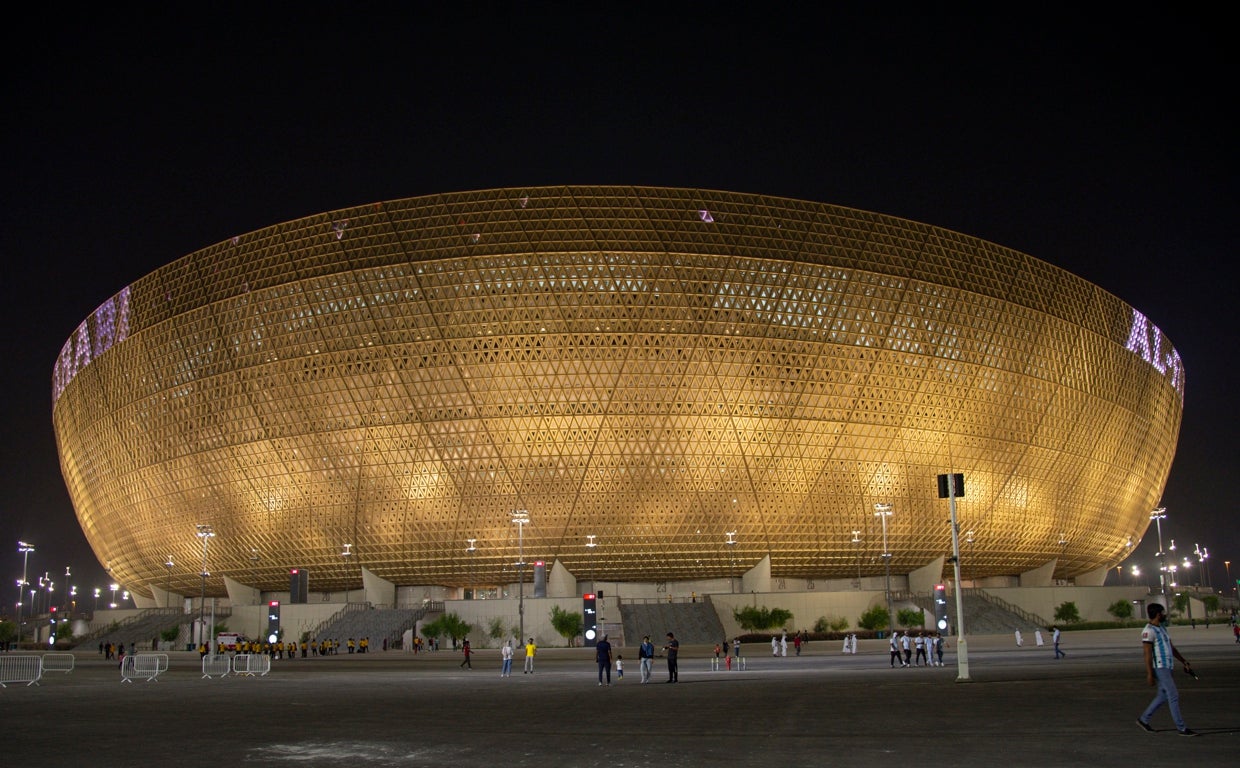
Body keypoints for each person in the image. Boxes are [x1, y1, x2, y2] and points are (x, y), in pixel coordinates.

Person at [1136, 603, 1198, 736]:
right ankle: (1181, 728)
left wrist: (1183, 661)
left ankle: (1143, 719)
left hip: (1168, 666)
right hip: (1160, 667)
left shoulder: (1162, 628)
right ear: (1158, 614)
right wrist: (1149, 674)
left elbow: (1171, 648)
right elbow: (1147, 654)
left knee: (1162, 696)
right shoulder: (1148, 631)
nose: (1165, 615)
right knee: (1173, 695)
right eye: (1163, 613)